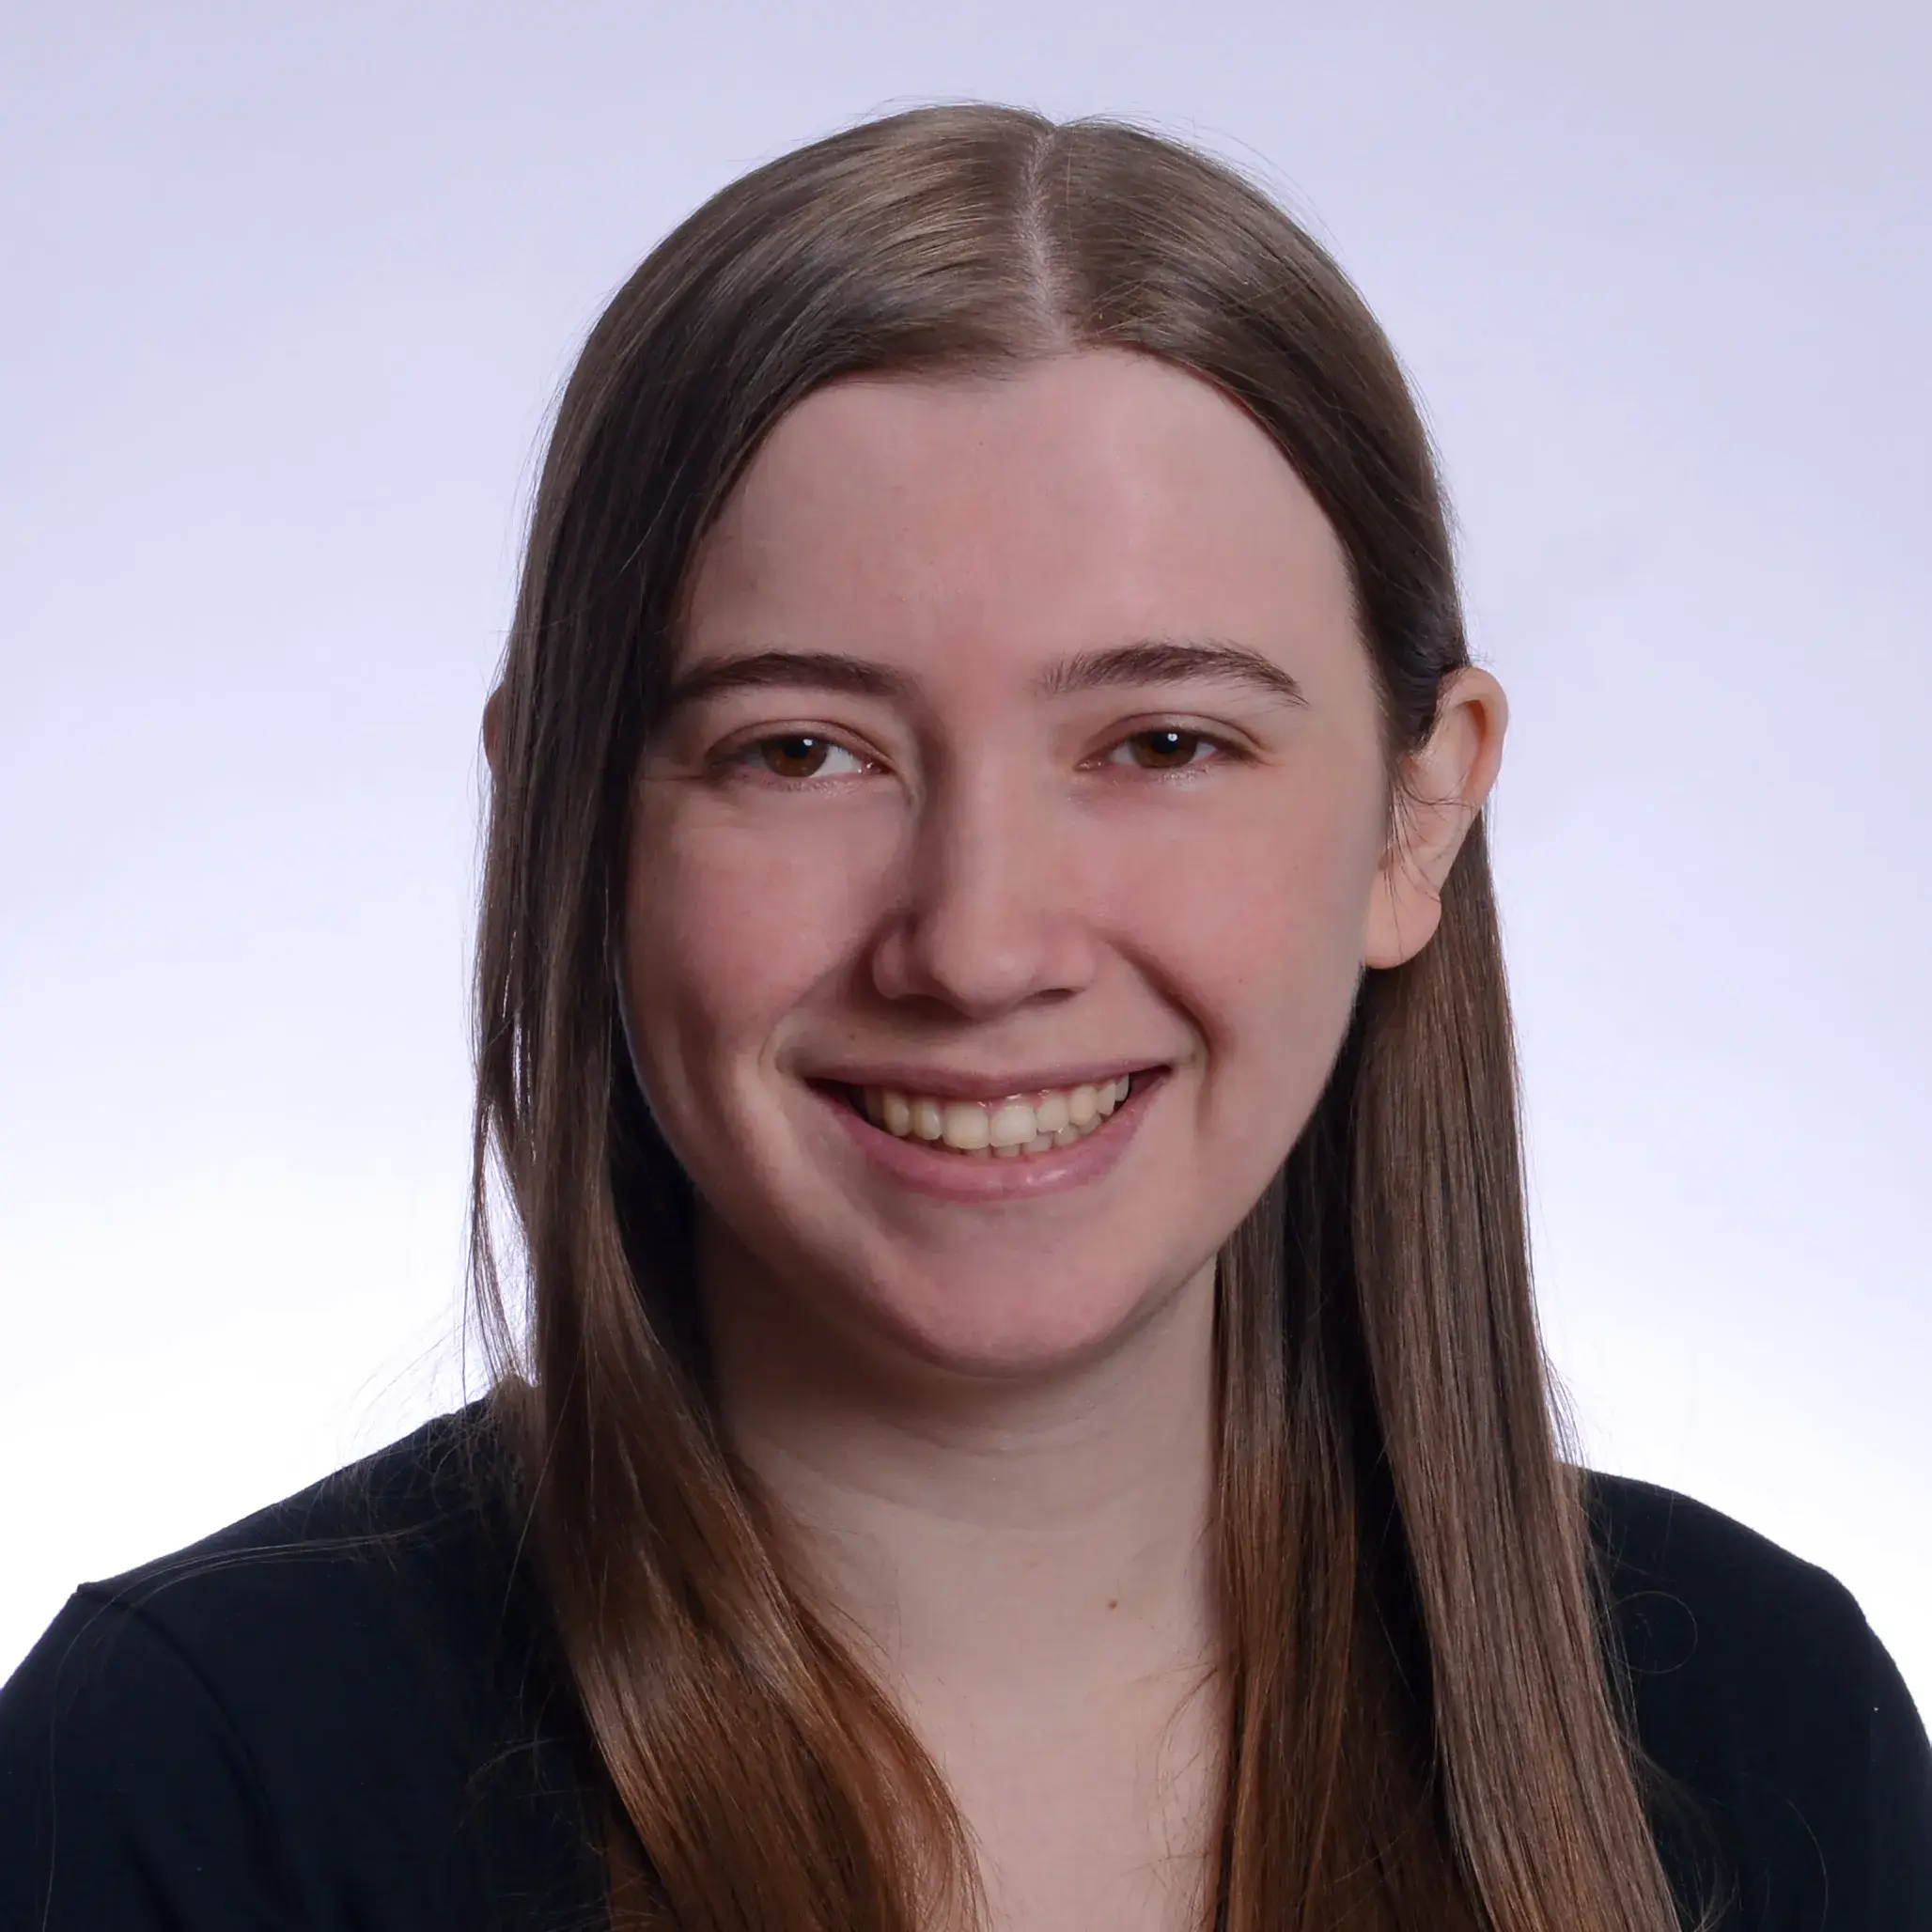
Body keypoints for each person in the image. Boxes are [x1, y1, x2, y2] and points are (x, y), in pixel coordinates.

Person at [1, 102, 1925, 1932]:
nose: (977, 940)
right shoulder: (192, 1769)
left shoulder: (1755, 1724)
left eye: (1163, 740)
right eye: (799, 748)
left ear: (1417, 812)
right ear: (568, 819)